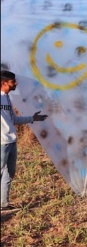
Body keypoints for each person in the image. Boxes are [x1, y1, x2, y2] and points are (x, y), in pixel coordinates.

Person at [1, 70, 48, 211]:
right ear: (4, 83)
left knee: (9, 173)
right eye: (12, 81)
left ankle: (4, 204)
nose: (15, 83)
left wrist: (32, 119)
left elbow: (13, 119)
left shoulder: (7, 98)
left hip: (11, 141)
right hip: (1, 143)